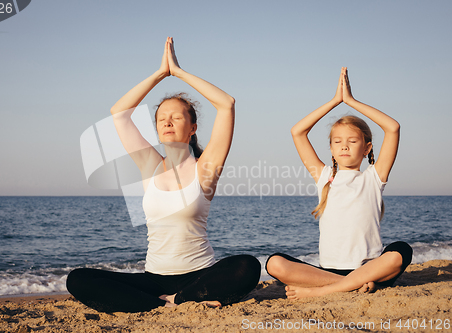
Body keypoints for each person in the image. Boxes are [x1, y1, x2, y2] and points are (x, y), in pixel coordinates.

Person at [66, 37, 261, 313]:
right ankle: (167, 302)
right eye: (161, 118)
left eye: (177, 117)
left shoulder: (205, 168)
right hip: (154, 279)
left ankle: (178, 300)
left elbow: (226, 104)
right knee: (78, 279)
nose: (168, 121)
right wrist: (160, 73)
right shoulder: (149, 165)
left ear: (193, 127)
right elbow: (118, 114)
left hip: (199, 276)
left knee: (248, 266)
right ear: (157, 128)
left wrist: (178, 72)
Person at [266, 67, 412, 300]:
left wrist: (351, 101)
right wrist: (335, 101)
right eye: (338, 141)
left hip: (369, 268)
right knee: (274, 263)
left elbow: (392, 127)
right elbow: (298, 132)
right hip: (330, 271)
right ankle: (351, 284)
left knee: (400, 252)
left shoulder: (373, 177)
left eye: (353, 141)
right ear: (332, 149)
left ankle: (326, 290)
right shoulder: (324, 177)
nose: (344, 146)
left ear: (366, 148)